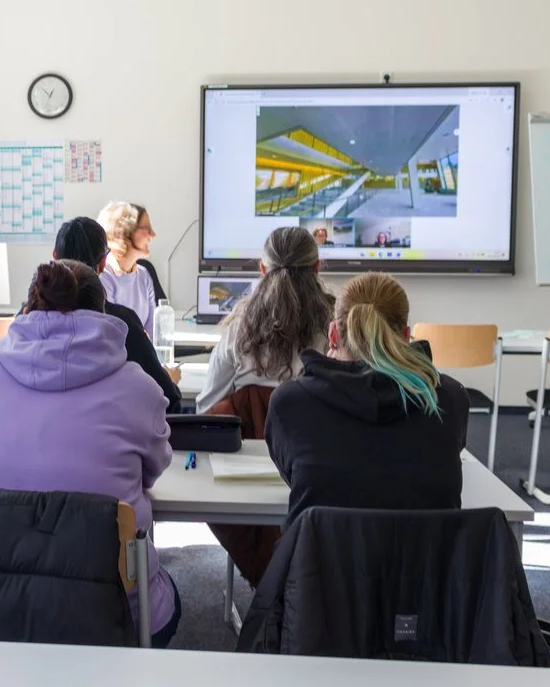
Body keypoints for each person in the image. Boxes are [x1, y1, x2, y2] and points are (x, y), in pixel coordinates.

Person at [0, 261, 180, 647]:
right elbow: (153, 470)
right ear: (103, 312)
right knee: (163, 591)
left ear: (29, 307)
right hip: (108, 612)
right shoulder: (138, 386)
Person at [265, 272, 470, 529]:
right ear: (405, 336)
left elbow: (296, 478)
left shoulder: (290, 403)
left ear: (333, 335)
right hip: (428, 555)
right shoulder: (450, 397)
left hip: (323, 554)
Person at [196, 227, 334, 420]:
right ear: (317, 267)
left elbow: (206, 408)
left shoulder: (238, 332)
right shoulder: (337, 332)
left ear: (262, 269)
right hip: (315, 439)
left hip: (249, 439)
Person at [52, 217, 181, 413]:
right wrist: (170, 380)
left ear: (54, 256)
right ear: (103, 263)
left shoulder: (27, 320)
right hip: (107, 429)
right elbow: (168, 399)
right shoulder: (121, 324)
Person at [97, 201, 157, 333]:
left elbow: (153, 331)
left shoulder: (144, 276)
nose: (153, 234)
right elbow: (111, 332)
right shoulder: (104, 276)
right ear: (126, 232)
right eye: (147, 228)